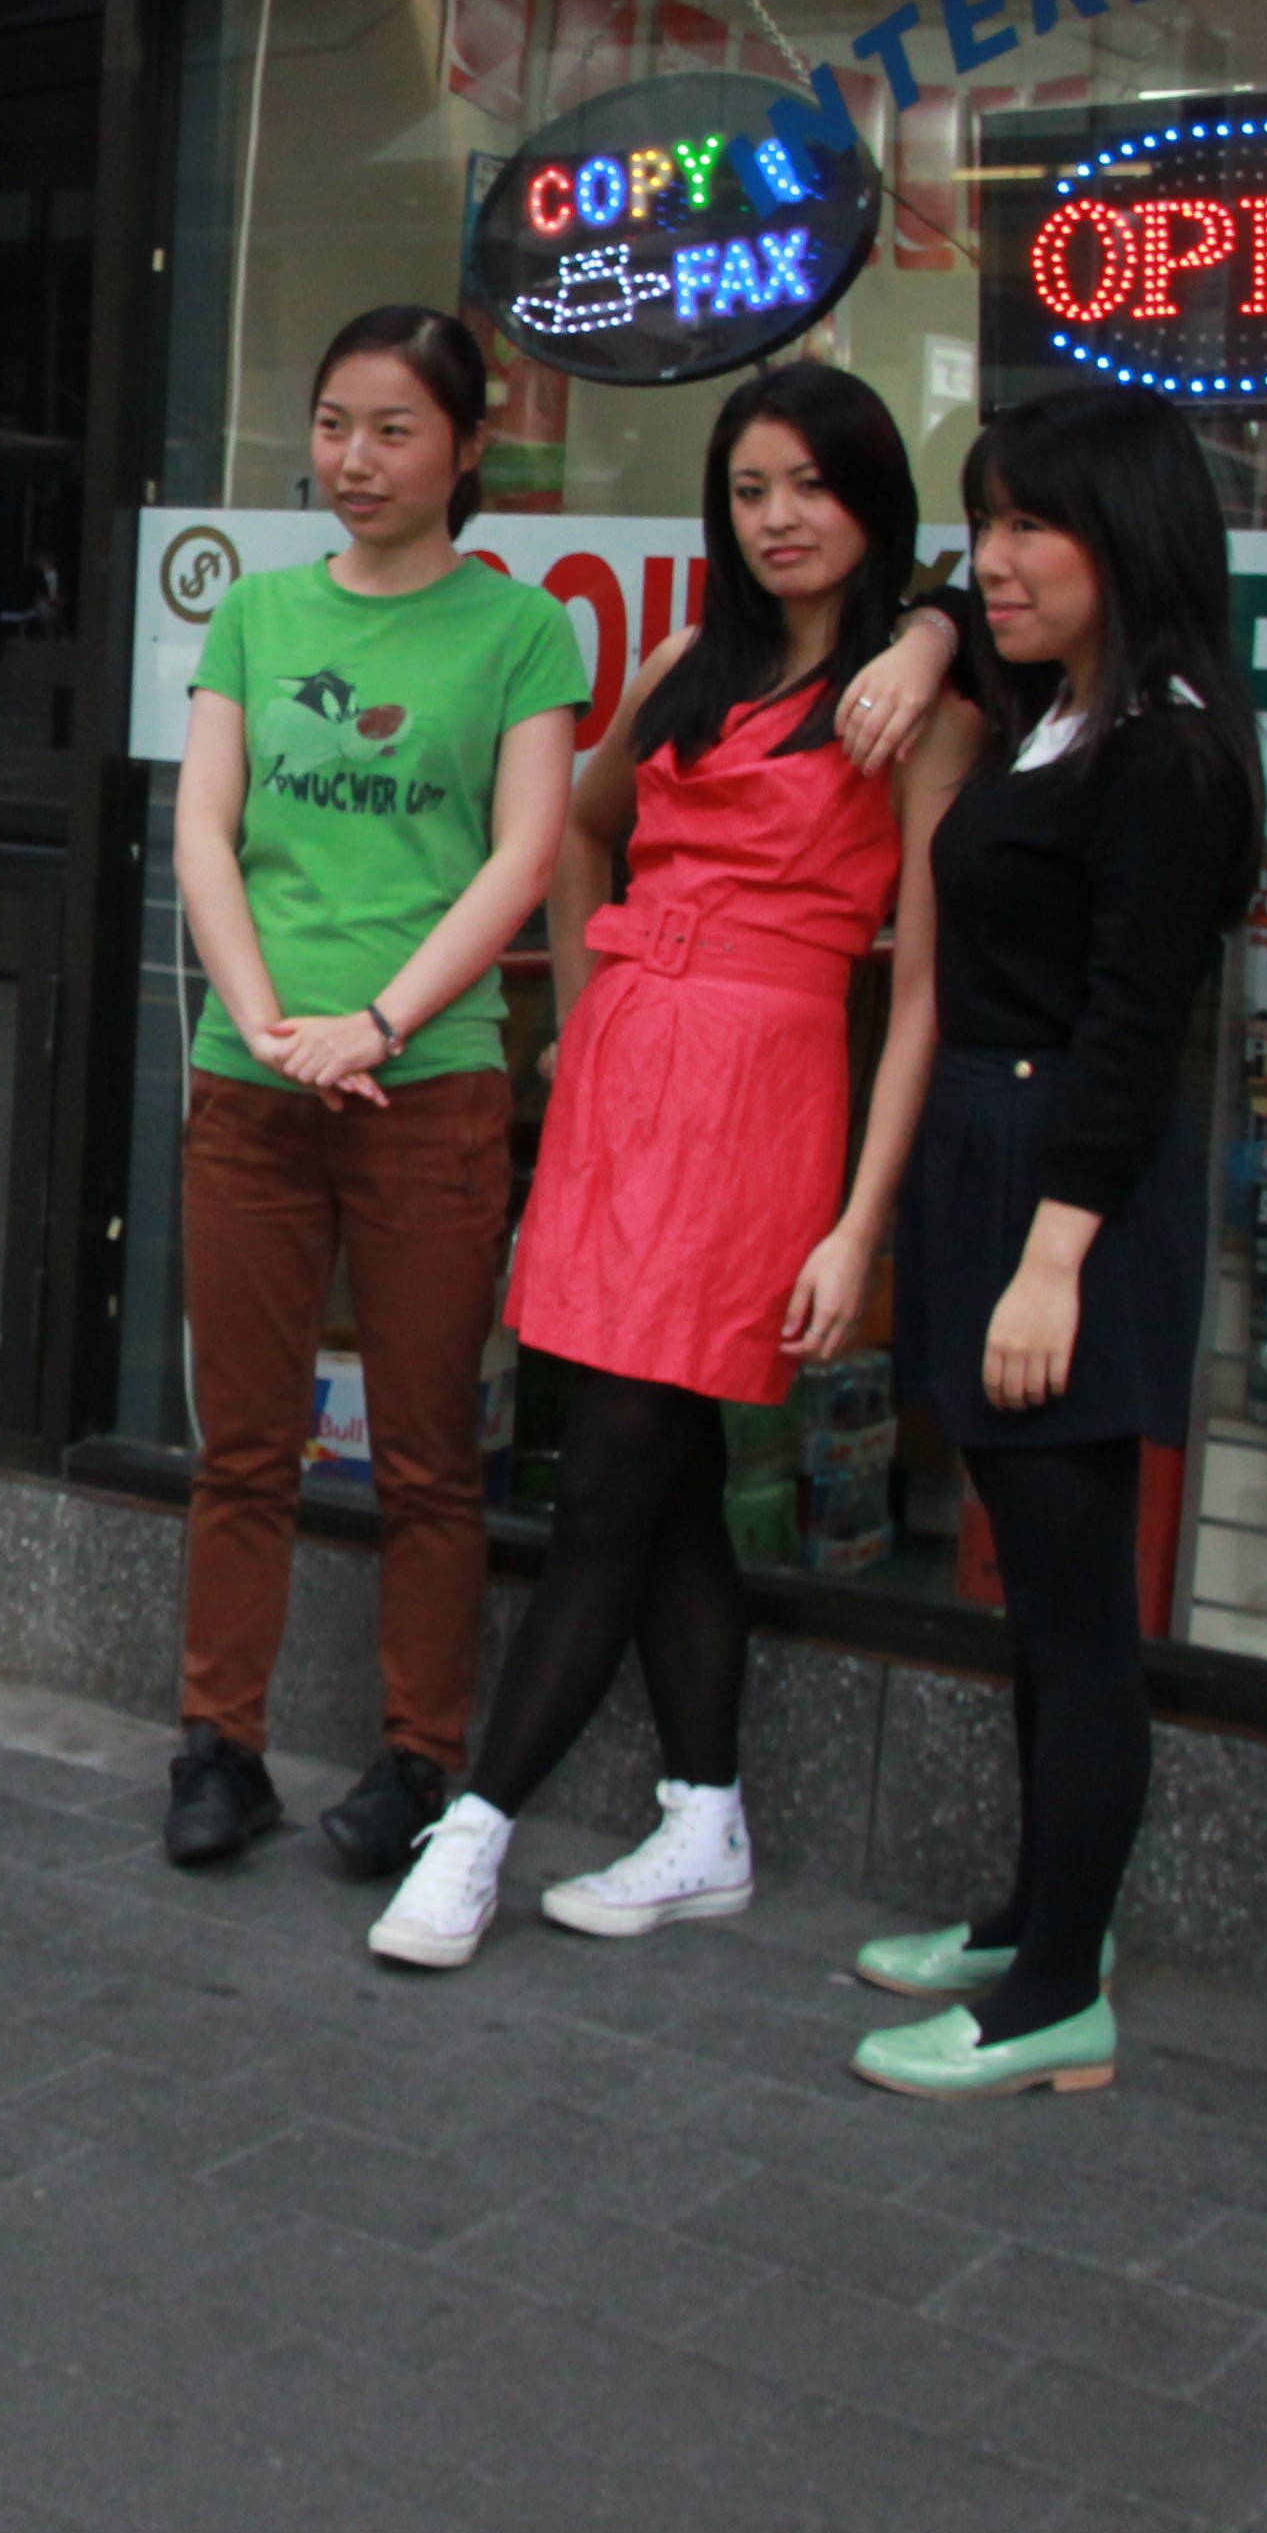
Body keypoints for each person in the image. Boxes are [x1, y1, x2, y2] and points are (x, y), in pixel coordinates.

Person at [372, 364, 977, 1966]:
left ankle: (477, 1828)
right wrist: (578, 1025)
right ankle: (705, 1812)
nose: (779, 519)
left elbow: (920, 993)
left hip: (764, 1094)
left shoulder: (924, 702)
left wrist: (861, 1218)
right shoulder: (684, 667)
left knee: (616, 1473)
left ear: (871, 504)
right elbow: (575, 830)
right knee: (668, 1473)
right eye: (752, 488)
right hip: (630, 1078)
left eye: (813, 487)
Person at [851, 383, 1260, 2099]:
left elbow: (1129, 1026)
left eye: (1029, 528)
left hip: (1061, 1173)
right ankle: (1038, 1918)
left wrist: (1047, 1254)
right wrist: (942, 614)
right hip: (985, 1143)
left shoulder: (1160, 749)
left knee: (1079, 1602)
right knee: (1032, 1580)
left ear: (1125, 541)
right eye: (983, 522)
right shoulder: (1050, 714)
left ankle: (1053, 2001)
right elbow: (956, 607)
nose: (991, 561)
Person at [164, 308, 585, 1875]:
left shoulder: (522, 631)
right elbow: (209, 827)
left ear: (467, 447)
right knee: (244, 1448)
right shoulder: (260, 619)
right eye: (336, 423)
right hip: (253, 1083)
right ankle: (219, 1746)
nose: (356, 459)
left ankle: (420, 1763)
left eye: (395, 429)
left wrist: (382, 1022)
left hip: (430, 1091)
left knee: (424, 1455)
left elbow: (525, 854)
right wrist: (267, 1016)